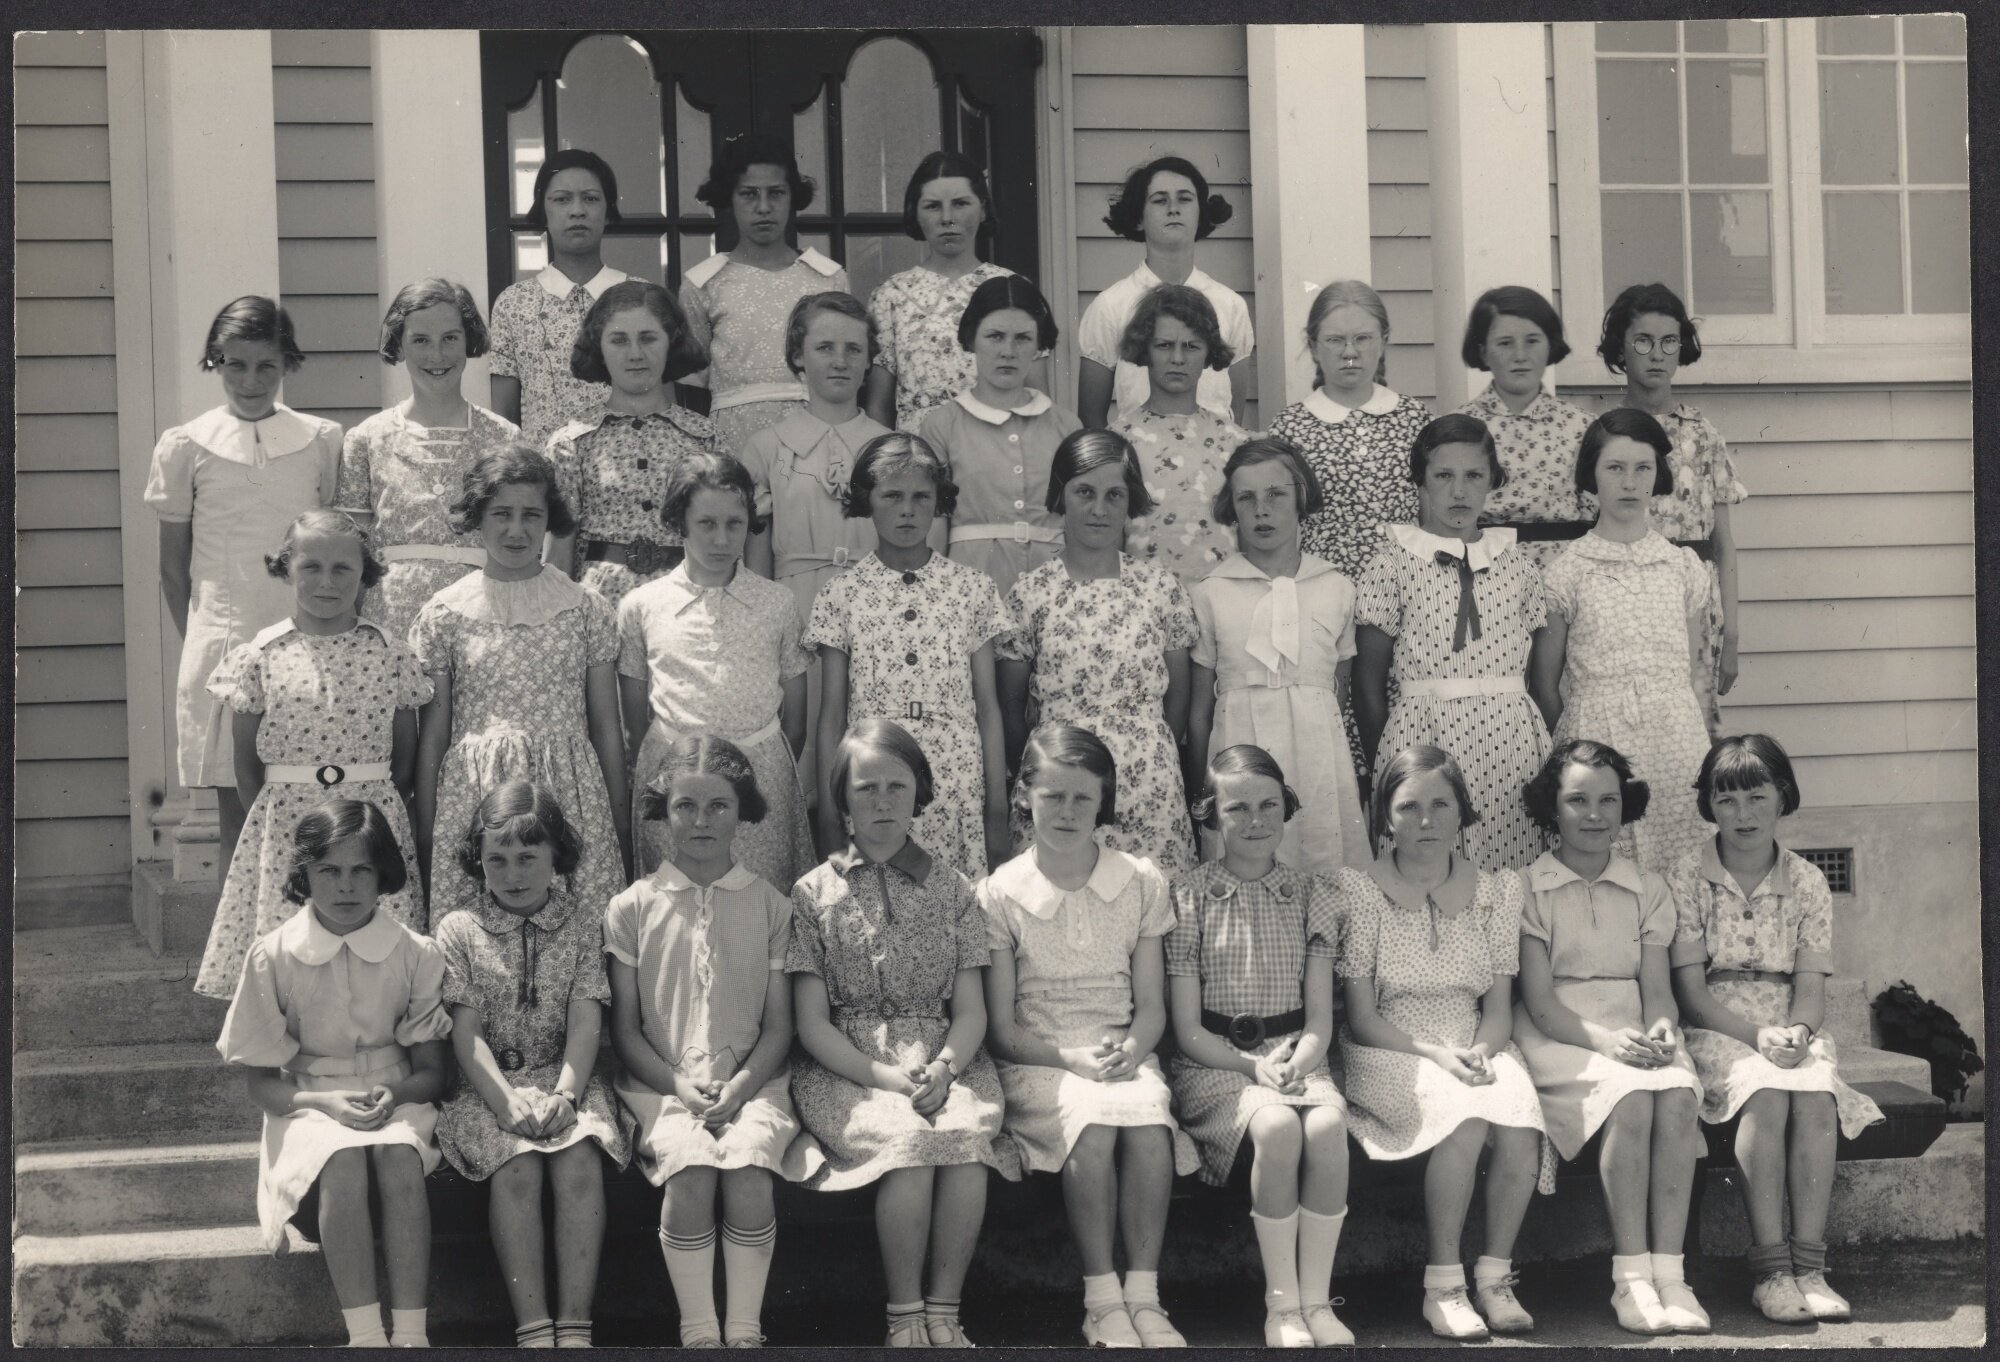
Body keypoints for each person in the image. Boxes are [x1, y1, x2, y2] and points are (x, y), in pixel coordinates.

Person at [787, 719, 1008, 1347]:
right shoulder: (812, 894)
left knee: (963, 1140)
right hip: (849, 1069)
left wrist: (944, 1068)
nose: (882, 803)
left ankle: (944, 1310)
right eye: (865, 789)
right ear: (843, 801)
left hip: (944, 1059)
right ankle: (905, 1317)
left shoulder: (955, 890)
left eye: (896, 786)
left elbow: (970, 1011)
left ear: (920, 794)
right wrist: (883, 1076)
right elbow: (811, 1023)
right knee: (909, 1142)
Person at [981, 726, 1197, 1348]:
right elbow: (1001, 1028)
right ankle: (1101, 1300)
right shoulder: (1001, 893)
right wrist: (1069, 1058)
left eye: (1083, 798)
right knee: (1094, 1128)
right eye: (1053, 797)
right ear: (1026, 797)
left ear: (1104, 801)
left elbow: (1151, 1005)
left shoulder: (1139, 880)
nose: (1068, 812)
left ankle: (1144, 1297)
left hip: (1120, 1050)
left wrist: (1133, 1048)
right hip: (1043, 1057)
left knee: (1151, 1123)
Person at [215, 801, 450, 1348]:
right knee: (340, 1158)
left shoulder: (414, 952)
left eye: (361, 870)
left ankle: (412, 1335)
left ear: (383, 874)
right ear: (304, 874)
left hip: (396, 1094)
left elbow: (432, 1073)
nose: (346, 886)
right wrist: (326, 1105)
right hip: (307, 1102)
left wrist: (393, 1093)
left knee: (398, 1157)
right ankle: (365, 1336)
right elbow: (262, 1084)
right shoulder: (272, 956)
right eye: (329, 871)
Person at [1334, 745, 1547, 1341]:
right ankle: (1443, 1286)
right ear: (1384, 817)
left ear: (1462, 813)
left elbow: (1499, 1009)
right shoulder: (1360, 891)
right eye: (1408, 808)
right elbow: (1362, 1016)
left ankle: (1495, 1278)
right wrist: (1435, 1056)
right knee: (1465, 1117)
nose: (1425, 821)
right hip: (1391, 1047)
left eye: (1439, 805)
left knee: (1518, 1115)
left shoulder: (1497, 893)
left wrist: (1480, 1052)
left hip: (1475, 1040)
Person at [1670, 734, 1884, 1325]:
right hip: (1718, 1026)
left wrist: (1799, 1030)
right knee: (1764, 1095)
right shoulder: (1688, 875)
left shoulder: (1808, 880)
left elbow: (1811, 987)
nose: (1743, 814)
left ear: (1783, 798)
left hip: (1788, 1024)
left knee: (1815, 1097)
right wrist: (1754, 1036)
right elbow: (1690, 993)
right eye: (1727, 799)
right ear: (1709, 805)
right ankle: (1770, 1270)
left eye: (1757, 797)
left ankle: (1809, 1267)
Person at [608, 737, 807, 1348]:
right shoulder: (631, 907)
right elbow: (625, 1030)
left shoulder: (771, 905)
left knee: (748, 1170)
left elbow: (780, 1028)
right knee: (691, 1170)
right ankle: (699, 1331)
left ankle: (744, 1332)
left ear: (743, 812)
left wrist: (743, 1086)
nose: (701, 821)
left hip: (756, 1081)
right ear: (662, 812)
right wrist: (678, 1086)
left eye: (719, 806)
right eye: (685, 806)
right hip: (661, 1087)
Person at [195, 511, 429, 1000]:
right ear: (286, 569)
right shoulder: (260, 655)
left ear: (365, 574)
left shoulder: (390, 653)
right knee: (291, 946)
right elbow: (246, 767)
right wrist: (280, 817)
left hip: (370, 816)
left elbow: (403, 762)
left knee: (373, 943)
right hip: (288, 825)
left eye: (343, 569)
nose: (327, 582)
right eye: (311, 568)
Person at [1515, 741, 1708, 1334]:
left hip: (1632, 1028)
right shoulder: (1526, 887)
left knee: (1676, 1094)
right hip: (1564, 1036)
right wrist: (1606, 1043)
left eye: (1607, 800)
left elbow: (1657, 990)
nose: (1594, 814)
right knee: (1628, 1100)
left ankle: (1671, 1277)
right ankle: (1630, 1279)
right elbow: (1541, 1004)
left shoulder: (1647, 888)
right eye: (1577, 800)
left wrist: (1660, 1029)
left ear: (1626, 807)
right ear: (1553, 807)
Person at [146, 295, 340, 876]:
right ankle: (241, 958)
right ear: (215, 362)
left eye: (266, 366)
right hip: (225, 646)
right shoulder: (187, 445)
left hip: (312, 645)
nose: (252, 380)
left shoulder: (321, 440)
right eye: (236, 365)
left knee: (319, 813)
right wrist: (211, 647)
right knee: (241, 819)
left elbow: (331, 544)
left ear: (287, 365)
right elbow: (173, 570)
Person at [1165, 744, 1352, 1347]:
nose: (1255, 821)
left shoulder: (1311, 894)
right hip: (1215, 1060)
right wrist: (1253, 1068)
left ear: (1287, 809)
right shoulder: (1187, 895)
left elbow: (1320, 1021)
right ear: (1211, 815)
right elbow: (1188, 1029)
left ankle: (1318, 1301)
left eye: (1269, 805)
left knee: (1325, 1127)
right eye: (1237, 807)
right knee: (1276, 1128)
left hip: (1296, 1054)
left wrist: (1295, 1062)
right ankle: (1282, 1306)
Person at [435, 782, 628, 1349]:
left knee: (577, 1164)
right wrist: (504, 1101)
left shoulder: (582, 922)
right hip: (487, 1089)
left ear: (556, 857)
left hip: (566, 1081)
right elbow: (465, 1036)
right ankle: (534, 1329)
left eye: (528, 857)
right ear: (478, 861)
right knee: (516, 1166)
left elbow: (585, 1023)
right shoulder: (458, 930)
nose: (513, 873)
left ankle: (575, 1326)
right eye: (496, 859)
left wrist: (567, 1097)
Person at [411, 446, 631, 924]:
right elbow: (435, 735)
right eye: (501, 514)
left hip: (571, 794)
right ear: (477, 517)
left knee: (579, 930)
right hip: (475, 795)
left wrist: (618, 824)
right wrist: (428, 830)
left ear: (551, 518)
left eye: (531, 514)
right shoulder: (445, 614)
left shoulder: (584, 607)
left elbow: (606, 728)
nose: (516, 529)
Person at [806, 433, 1012, 878]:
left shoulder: (972, 590)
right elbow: (831, 715)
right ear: (867, 500)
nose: (907, 509)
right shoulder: (842, 595)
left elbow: (989, 707)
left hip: (956, 781)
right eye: (892, 496)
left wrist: (996, 805)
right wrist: (828, 808)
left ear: (939, 502)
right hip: (875, 782)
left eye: (922, 497)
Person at [1353, 414, 1550, 872]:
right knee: (1432, 867)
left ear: (1491, 481)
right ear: (1419, 481)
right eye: (1443, 476)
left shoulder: (1517, 564)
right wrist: (1392, 767)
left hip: (1511, 747)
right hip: (1427, 740)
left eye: (1473, 476)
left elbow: (1541, 684)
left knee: (1510, 872)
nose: (1459, 492)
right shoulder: (1393, 565)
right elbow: (1366, 685)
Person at [996, 429, 1198, 873]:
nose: (1099, 509)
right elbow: (1012, 705)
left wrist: (1143, 746)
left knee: (1149, 913)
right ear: (1060, 497)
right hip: (1060, 783)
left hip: (1147, 782)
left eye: (1115, 495)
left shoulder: (1160, 589)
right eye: (1084, 493)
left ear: (1131, 503)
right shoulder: (1031, 593)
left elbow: (1178, 700)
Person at [617, 452, 814, 889]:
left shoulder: (776, 603)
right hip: (673, 787)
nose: (722, 539)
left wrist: (760, 767)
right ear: (679, 522)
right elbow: (634, 720)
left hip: (760, 787)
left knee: (761, 907)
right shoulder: (643, 606)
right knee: (675, 907)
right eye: (706, 524)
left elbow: (796, 720)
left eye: (734, 524)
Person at [1531, 409, 1711, 876]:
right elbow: (1545, 687)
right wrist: (1580, 742)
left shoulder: (1681, 567)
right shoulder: (1567, 571)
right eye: (1615, 468)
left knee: (1682, 870)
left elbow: (1692, 670)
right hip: (1598, 741)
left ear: (1658, 475)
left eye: (1642, 468)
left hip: (1675, 741)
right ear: (1591, 475)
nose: (1630, 482)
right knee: (1607, 869)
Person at [1187, 438, 1369, 875]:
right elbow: (1198, 713)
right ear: (1231, 508)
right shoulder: (1211, 592)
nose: (1261, 510)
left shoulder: (1336, 587)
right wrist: (1202, 791)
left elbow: (1337, 694)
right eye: (1246, 498)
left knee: (1320, 857)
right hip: (1239, 749)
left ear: (1301, 498)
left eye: (1276, 495)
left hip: (1316, 754)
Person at [336, 278, 523, 643]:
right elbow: (349, 550)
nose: (436, 355)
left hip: (482, 613)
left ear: (469, 339)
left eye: (450, 338)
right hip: (390, 618)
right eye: (420, 340)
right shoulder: (367, 438)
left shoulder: (503, 438)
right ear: (399, 344)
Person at [1597, 282, 1746, 731]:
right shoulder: (1604, 433)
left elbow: (1723, 544)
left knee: (1691, 733)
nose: (1657, 355)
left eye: (1669, 342)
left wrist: (1733, 635)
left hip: (1693, 607)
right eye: (1643, 341)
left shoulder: (1702, 434)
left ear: (1682, 348)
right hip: (1624, 604)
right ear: (1621, 348)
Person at [681, 132, 851, 455]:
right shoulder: (705, 283)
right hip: (733, 437)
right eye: (749, 194)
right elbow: (691, 379)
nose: (763, 207)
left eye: (776, 194)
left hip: (816, 434)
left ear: (792, 198)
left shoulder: (827, 278)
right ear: (730, 199)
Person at [545, 280, 715, 602]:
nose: (635, 354)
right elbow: (559, 553)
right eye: (619, 340)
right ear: (599, 347)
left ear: (671, 343)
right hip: (600, 605)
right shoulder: (571, 443)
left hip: (686, 604)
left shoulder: (704, 439)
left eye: (648, 338)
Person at [920, 274, 1083, 599]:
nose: (1008, 351)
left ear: (1039, 345)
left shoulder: (1066, 426)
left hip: (1054, 588)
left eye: (1022, 338)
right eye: (995, 336)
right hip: (971, 583)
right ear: (971, 339)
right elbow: (934, 527)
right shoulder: (942, 425)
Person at [1270, 280, 1433, 583]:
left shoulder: (1415, 419)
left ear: (1384, 341)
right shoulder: (1290, 427)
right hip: (1324, 594)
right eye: (1335, 340)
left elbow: (1431, 517)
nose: (1350, 352)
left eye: (1363, 339)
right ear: (1314, 346)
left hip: (1408, 591)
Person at [1075, 155, 1253, 427]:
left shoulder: (1230, 305)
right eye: (1159, 200)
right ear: (1139, 219)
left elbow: (1234, 414)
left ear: (1200, 213)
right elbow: (1091, 419)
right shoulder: (1111, 305)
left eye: (1184, 199)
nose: (1173, 208)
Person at [864, 151, 1019, 433]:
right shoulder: (891, 296)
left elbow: (1037, 396)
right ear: (916, 213)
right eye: (933, 206)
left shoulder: (1011, 289)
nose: (947, 218)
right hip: (919, 453)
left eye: (960, 204)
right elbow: (878, 406)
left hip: (997, 448)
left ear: (982, 209)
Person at [488, 149, 633, 446]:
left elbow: (662, 400)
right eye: (562, 199)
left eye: (590, 198)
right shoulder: (514, 304)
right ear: (544, 211)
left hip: (630, 471)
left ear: (608, 211)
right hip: (544, 478)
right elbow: (504, 418)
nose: (577, 210)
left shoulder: (639, 296)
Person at [1109, 283, 1248, 586]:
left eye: (1191, 346)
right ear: (1144, 348)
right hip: (1144, 609)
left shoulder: (1235, 442)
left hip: (1221, 608)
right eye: (1163, 345)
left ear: (1209, 352)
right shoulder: (1116, 441)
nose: (1177, 358)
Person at [1456, 286, 1593, 573]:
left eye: (1532, 341)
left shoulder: (1582, 427)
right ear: (1483, 352)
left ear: (1550, 345)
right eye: (1505, 343)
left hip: (1564, 577)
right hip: (1484, 578)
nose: (1520, 355)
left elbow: (1596, 517)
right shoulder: (1459, 427)